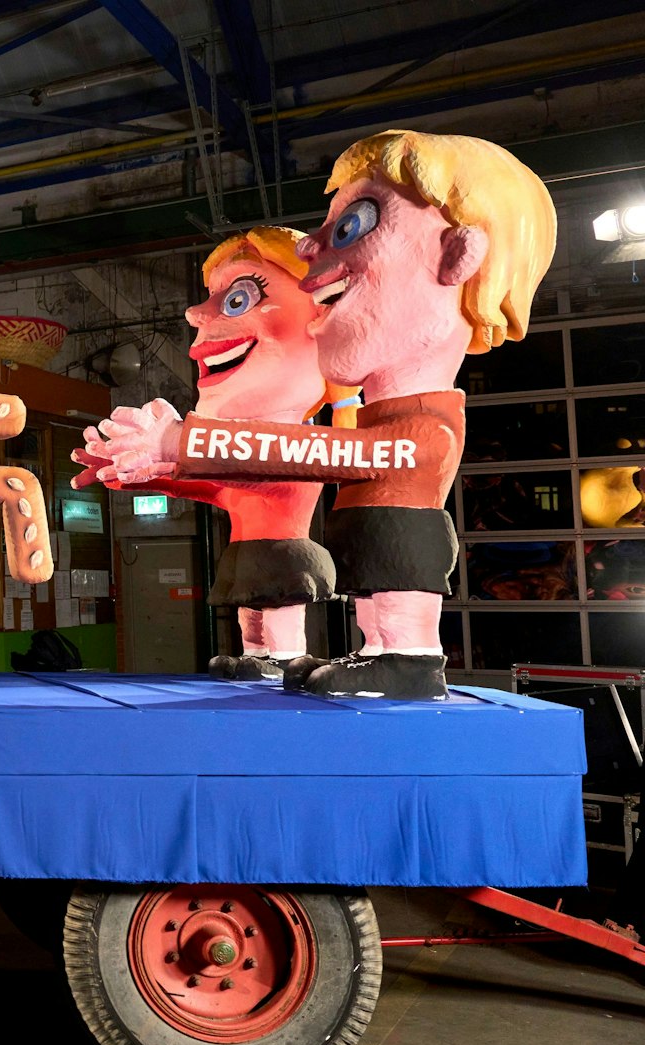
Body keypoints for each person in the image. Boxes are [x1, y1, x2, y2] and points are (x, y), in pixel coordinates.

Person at [86, 131, 555, 699]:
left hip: (398, 537)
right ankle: (365, 652)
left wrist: (182, 442)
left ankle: (407, 658)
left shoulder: (426, 426)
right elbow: (263, 473)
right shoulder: (382, 422)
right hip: (366, 534)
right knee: (369, 579)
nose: (312, 247)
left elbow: (320, 454)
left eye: (354, 223)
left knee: (394, 579)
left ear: (459, 254)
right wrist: (155, 462)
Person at [74, 227, 345, 680]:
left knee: (278, 612)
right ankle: (258, 661)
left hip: (284, 550)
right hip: (247, 552)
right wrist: (142, 473)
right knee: (250, 615)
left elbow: (243, 468)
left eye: (238, 298)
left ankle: (283, 661)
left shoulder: (300, 443)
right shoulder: (244, 446)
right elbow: (218, 486)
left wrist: (172, 447)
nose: (196, 314)